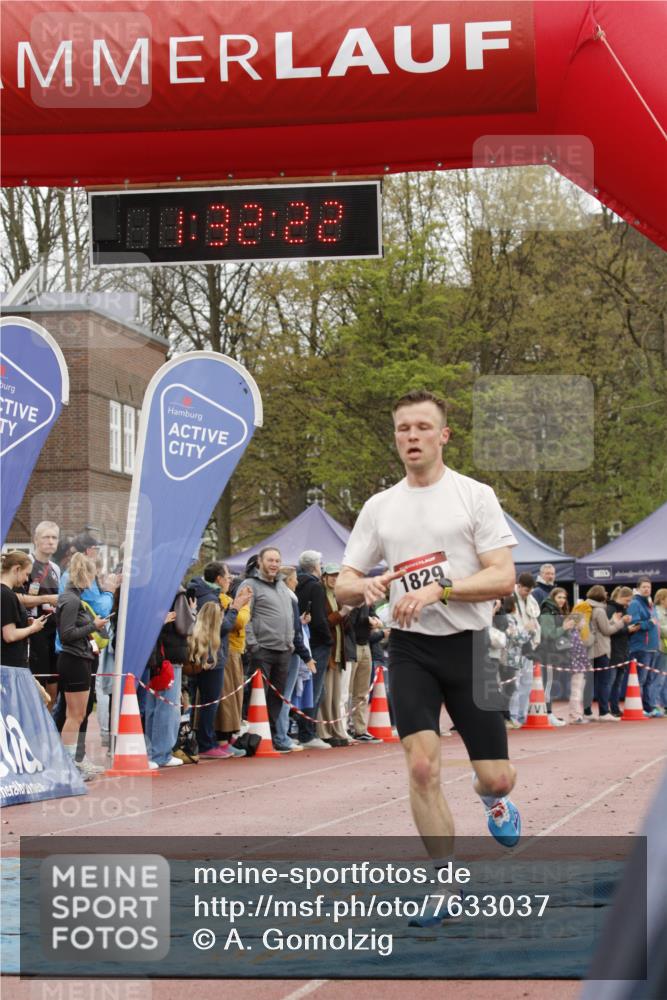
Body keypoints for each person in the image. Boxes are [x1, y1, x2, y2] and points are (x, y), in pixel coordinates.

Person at [336, 388, 520, 900]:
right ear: (395, 438)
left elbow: (503, 576)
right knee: (421, 766)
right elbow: (343, 581)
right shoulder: (381, 507)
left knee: (499, 777)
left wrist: (440, 590)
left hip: (471, 646)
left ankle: (494, 801)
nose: (412, 437)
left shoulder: (474, 495)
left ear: (443, 435)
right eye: (403, 429)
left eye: (422, 427)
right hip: (412, 650)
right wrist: (365, 587)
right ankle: (443, 880)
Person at [187, 564, 252, 758]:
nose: (230, 580)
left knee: (201, 700)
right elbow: (220, 627)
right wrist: (235, 608)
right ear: (218, 579)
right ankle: (207, 744)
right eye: (227, 576)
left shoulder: (201, 593)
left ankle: (203, 740)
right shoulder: (210, 598)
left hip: (203, 654)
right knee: (210, 701)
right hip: (211, 655)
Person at [55, 553, 109, 780]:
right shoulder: (72, 599)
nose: (94, 582)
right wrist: (93, 626)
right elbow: (66, 635)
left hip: (77, 659)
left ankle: (71, 763)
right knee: (75, 715)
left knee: (74, 714)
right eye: (93, 576)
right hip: (74, 659)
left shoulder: (71, 598)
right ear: (85, 575)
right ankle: (68, 766)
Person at [244, 547, 300, 749]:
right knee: (257, 696)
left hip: (284, 650)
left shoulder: (283, 587)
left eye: (277, 560)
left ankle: (274, 737)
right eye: (270, 560)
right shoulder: (250, 585)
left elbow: (290, 617)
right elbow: (245, 617)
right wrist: (253, 645)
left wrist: (291, 642)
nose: (274, 564)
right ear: (260, 561)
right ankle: (253, 739)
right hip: (262, 651)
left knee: (277, 697)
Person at [144, 587, 196, 769]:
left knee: (153, 706)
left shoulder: (150, 590)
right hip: (171, 655)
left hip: (154, 654)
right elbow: (185, 625)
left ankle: (151, 751)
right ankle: (161, 753)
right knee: (167, 706)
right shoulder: (177, 592)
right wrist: (193, 612)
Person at [18, 521, 61, 706]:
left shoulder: (55, 568)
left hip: (54, 632)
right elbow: (16, 597)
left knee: (53, 687)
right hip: (33, 631)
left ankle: (47, 730)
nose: (51, 542)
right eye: (46, 537)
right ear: (36, 540)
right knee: (36, 686)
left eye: (54, 537)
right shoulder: (25, 564)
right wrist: (47, 599)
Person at [273, 566, 316, 752]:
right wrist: (306, 657)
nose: (297, 582)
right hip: (291, 652)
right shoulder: (289, 598)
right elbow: (294, 631)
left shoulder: (281, 597)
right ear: (287, 581)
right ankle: (281, 737)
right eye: (294, 578)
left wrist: (300, 621)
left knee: (281, 696)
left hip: (284, 650)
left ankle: (280, 735)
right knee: (285, 697)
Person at [295, 550, 335, 750]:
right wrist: (329, 639)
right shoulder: (316, 587)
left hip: (301, 641)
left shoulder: (292, 585)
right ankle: (307, 733)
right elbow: (319, 618)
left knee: (304, 688)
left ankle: (302, 730)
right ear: (315, 566)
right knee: (314, 689)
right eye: (321, 563)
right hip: (316, 643)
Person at [320, 564, 354, 746]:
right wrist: (341, 613)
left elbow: (344, 627)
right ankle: (324, 731)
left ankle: (336, 729)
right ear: (324, 577)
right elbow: (323, 623)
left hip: (339, 652)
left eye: (337, 576)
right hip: (328, 653)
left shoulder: (337, 596)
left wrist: (346, 614)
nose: (334, 579)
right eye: (331, 576)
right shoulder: (321, 596)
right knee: (326, 695)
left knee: (335, 696)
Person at [586, 585, 630, 721]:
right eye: (604, 592)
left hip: (588, 649)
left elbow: (599, 627)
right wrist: (621, 622)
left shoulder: (585, 607)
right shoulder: (599, 610)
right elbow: (607, 631)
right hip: (601, 650)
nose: (607, 594)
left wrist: (612, 621)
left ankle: (587, 711)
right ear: (600, 595)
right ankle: (604, 712)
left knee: (589, 683)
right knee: (604, 682)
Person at [509, 573, 547, 725]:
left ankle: (521, 715)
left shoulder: (531, 600)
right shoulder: (509, 599)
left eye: (530, 590)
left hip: (529, 645)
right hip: (514, 646)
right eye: (525, 590)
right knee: (515, 682)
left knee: (527, 682)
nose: (528, 593)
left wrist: (536, 640)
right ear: (518, 586)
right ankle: (512, 715)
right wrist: (523, 629)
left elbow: (535, 621)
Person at [1, 550, 48, 668]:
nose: (27, 579)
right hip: (10, 665)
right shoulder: (7, 595)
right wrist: (33, 628)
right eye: (26, 574)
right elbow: (9, 635)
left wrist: (25, 623)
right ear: (17, 569)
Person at [628, 577, 662, 717]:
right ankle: (639, 707)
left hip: (653, 647)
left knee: (649, 680)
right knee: (640, 680)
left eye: (649, 587)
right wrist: (650, 623)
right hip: (641, 648)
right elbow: (634, 625)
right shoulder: (635, 603)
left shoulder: (650, 604)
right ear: (638, 588)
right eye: (644, 587)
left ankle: (648, 708)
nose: (647, 589)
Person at [607, 586, 638, 718]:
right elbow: (610, 630)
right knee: (610, 682)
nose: (629, 603)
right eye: (627, 600)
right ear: (619, 597)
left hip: (622, 650)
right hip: (613, 651)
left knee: (617, 683)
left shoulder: (622, 610)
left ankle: (614, 708)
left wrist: (629, 630)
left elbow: (620, 632)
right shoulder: (610, 609)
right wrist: (627, 629)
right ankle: (605, 710)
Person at [654, 589, 667, 713]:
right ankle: (656, 704)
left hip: (664, 648)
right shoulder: (657, 612)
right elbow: (661, 630)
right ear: (662, 599)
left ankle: (664, 704)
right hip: (660, 648)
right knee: (658, 678)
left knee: (663, 678)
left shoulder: (664, 612)